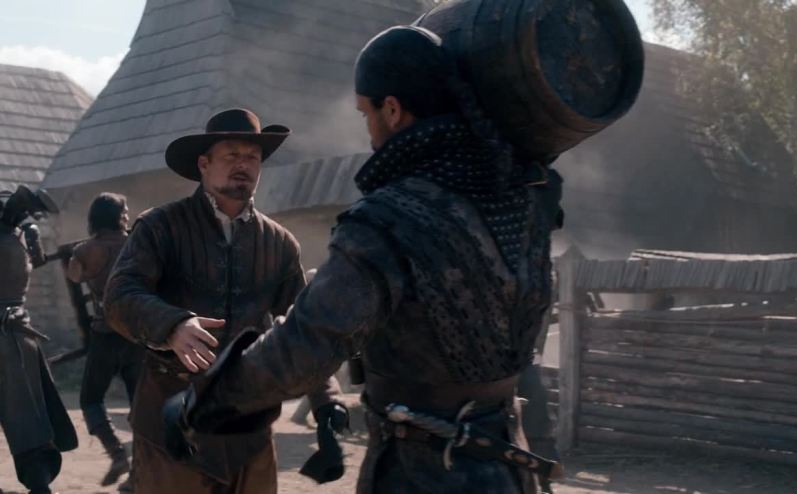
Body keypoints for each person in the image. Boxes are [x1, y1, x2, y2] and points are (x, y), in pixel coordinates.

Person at [165, 27, 564, 494]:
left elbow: (304, 344)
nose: (369, 130)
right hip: (509, 472)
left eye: (365, 113)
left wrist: (204, 400)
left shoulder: (386, 220)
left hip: (422, 474)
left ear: (392, 110)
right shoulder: (525, 203)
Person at [103, 108, 344, 494]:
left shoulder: (280, 243)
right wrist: (173, 325)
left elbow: (304, 328)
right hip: (171, 417)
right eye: (231, 155)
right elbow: (119, 296)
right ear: (204, 164)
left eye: (252, 157)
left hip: (248, 421)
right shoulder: (160, 226)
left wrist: (327, 400)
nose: (243, 165)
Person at [0, 185, 78, 494]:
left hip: (12, 334)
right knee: (27, 414)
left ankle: (38, 481)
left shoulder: (15, 237)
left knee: (25, 415)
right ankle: (38, 480)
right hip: (18, 333)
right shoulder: (20, 238)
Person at [67, 192, 143, 488]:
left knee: (90, 399)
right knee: (140, 405)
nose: (127, 215)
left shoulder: (86, 250)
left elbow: (74, 276)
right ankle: (138, 472)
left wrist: (80, 256)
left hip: (105, 334)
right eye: (124, 211)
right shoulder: (137, 243)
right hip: (136, 334)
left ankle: (116, 453)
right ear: (117, 217)